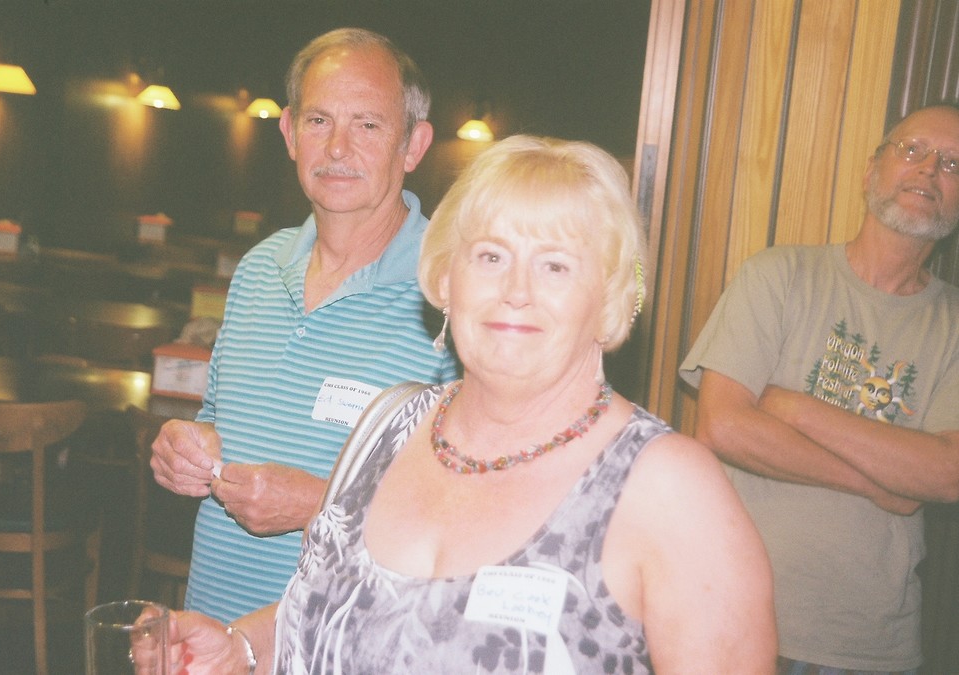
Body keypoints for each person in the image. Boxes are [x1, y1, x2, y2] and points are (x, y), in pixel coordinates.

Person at [157, 135, 777, 674]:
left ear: (610, 298)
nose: (516, 291)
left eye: (556, 266)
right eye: (491, 256)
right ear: (446, 279)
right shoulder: (387, 427)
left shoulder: (668, 487)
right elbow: (339, 610)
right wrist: (241, 649)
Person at [149, 28, 457, 623]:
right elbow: (215, 419)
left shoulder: (454, 290)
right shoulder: (258, 267)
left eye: (368, 125)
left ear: (413, 145)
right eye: (319, 121)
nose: (338, 147)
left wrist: (319, 503)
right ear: (290, 133)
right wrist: (184, 447)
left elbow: (478, 505)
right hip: (214, 630)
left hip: (346, 644)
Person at [680, 104, 959, 673]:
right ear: (870, 170)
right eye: (912, 150)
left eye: (953, 164)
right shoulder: (778, 274)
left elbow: (947, 473)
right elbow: (723, 426)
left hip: (866, 644)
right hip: (731, 615)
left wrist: (795, 408)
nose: (929, 169)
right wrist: (880, 482)